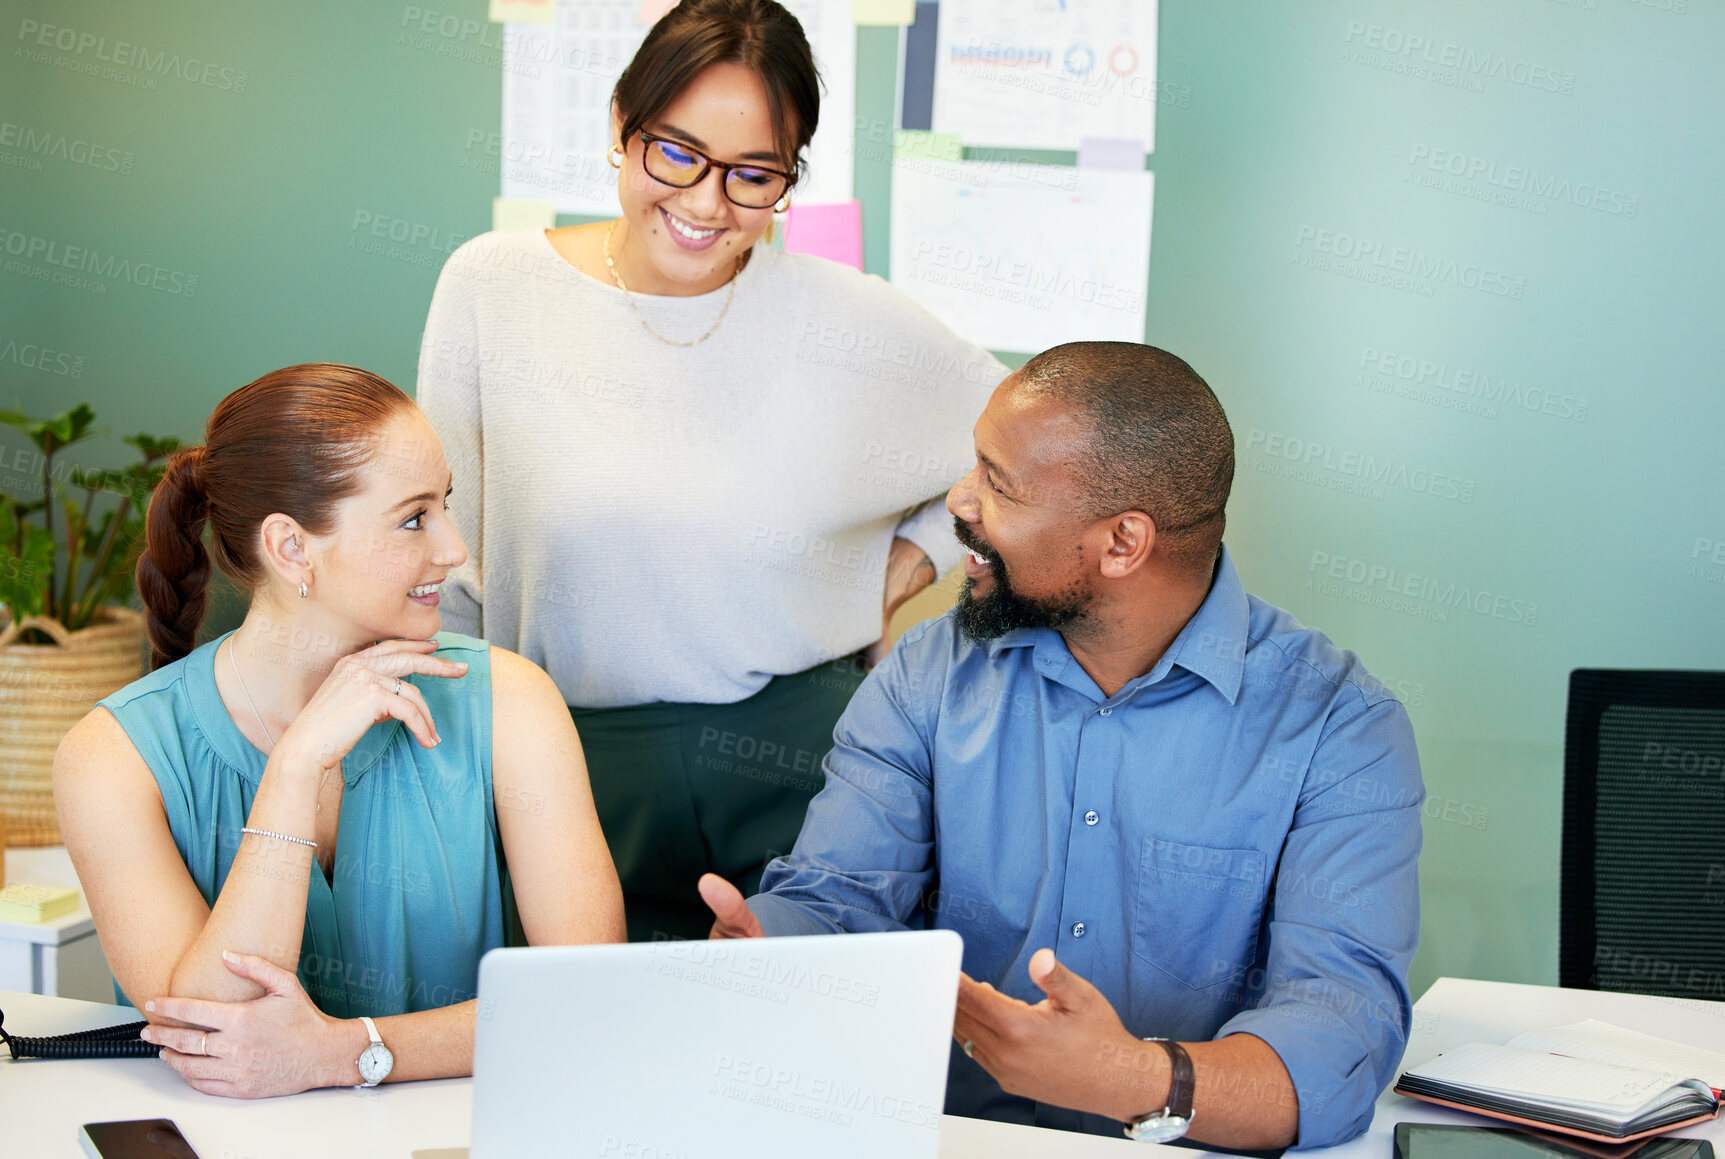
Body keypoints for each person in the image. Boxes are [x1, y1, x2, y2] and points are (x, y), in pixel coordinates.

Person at [698, 342, 1424, 1150]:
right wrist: (771, 948)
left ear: (1122, 543)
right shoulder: (929, 671)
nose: (958, 503)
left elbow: (1338, 1039)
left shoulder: (1340, 725)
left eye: (997, 484)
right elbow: (838, 899)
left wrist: (1128, 1076)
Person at [416, 0, 1005, 942]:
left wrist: (902, 572)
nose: (703, 204)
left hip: (805, 764)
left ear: (788, 178)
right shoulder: (493, 287)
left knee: (802, 1064)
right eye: (676, 154)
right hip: (560, 762)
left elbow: (1021, 437)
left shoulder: (843, 315)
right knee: (580, 1054)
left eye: (752, 176)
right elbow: (445, 554)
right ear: (620, 125)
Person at [52, 364, 623, 1098]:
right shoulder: (110, 757)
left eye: (444, 506)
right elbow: (206, 1033)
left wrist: (348, 1051)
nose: (453, 550)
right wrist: (293, 771)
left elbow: (586, 995)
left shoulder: (508, 701)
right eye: (414, 517)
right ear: (292, 549)